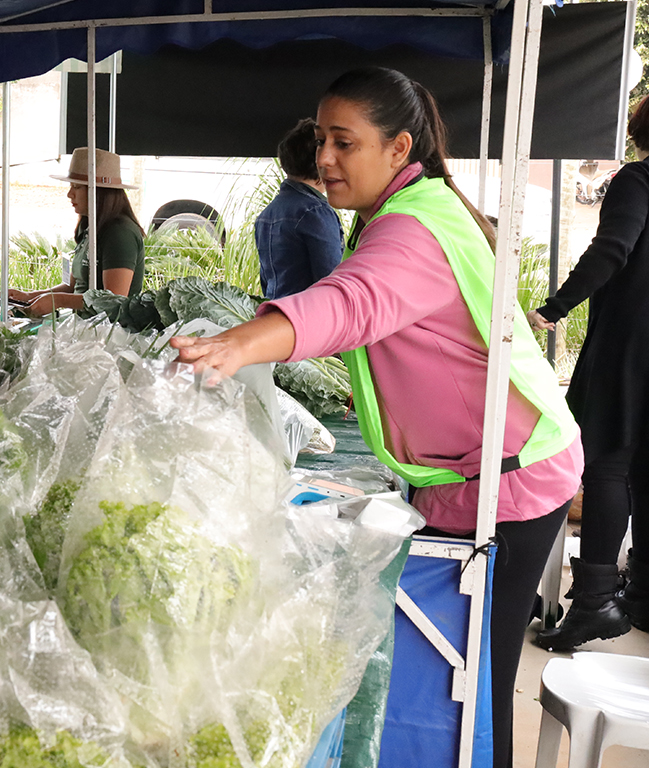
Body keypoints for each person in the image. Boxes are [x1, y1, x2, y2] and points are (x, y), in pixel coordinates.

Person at [169, 67, 582, 768]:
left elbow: (351, 303)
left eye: (344, 142)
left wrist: (240, 343)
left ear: (397, 149)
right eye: (321, 139)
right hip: (469, 472)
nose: (325, 157)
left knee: (477, 682)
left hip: (506, 483)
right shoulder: (416, 207)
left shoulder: (413, 230)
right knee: (462, 676)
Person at [525, 88, 649, 651]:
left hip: (635, 344)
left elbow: (612, 249)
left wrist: (553, 308)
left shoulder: (642, 179)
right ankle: (640, 597)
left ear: (639, 132)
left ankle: (593, 604)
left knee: (608, 466)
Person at [8, 147, 145, 315]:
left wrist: (57, 301)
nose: (69, 194)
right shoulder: (90, 226)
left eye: (77, 187)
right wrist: (29, 296)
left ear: (99, 191)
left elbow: (113, 299)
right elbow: (73, 286)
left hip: (110, 334)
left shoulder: (120, 233)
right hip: (81, 326)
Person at [255, 118, 344, 298]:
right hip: (309, 320)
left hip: (277, 317)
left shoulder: (267, 214)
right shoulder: (316, 212)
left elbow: (266, 281)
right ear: (322, 162)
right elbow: (332, 284)